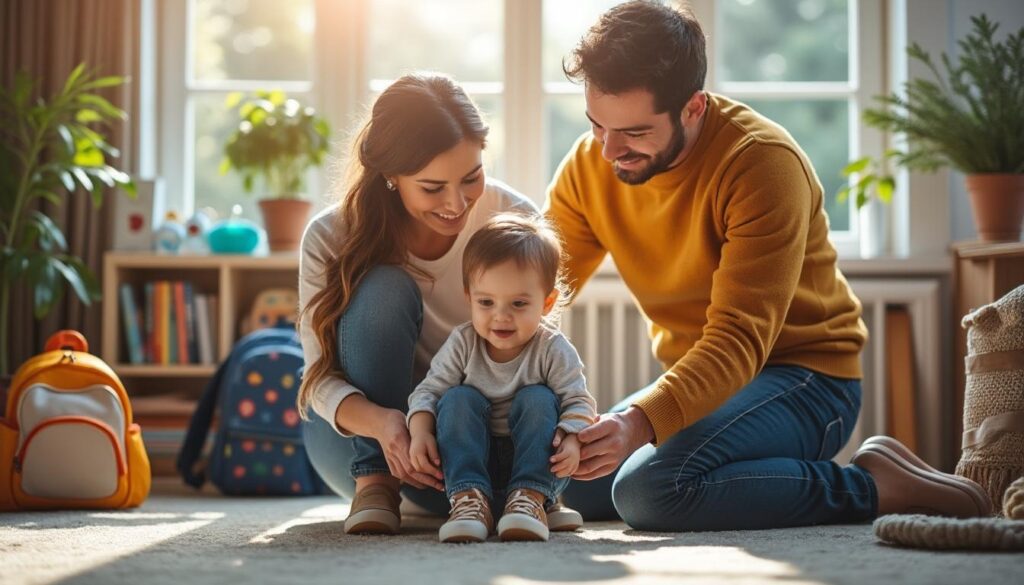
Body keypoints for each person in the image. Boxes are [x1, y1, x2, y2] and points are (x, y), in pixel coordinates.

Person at [546, 0, 992, 531]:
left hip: (807, 380)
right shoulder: (589, 165)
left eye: (635, 133)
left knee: (649, 491)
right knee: (552, 475)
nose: (607, 151)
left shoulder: (761, 163)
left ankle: (873, 486)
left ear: (693, 107)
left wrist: (639, 421)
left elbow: (737, 340)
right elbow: (538, 288)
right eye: (598, 125)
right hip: (705, 387)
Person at [296, 73, 587, 536]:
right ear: (390, 176)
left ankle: (505, 495)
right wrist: (388, 424)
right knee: (383, 288)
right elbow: (317, 380)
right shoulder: (332, 236)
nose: (456, 203)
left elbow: (538, 351)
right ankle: (377, 486)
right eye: (432, 188)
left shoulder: (512, 221)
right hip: (363, 437)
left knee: (608, 481)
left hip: (476, 435)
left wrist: (560, 437)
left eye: (471, 178)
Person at [406, 213, 598, 543]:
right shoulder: (464, 342)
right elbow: (430, 390)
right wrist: (420, 428)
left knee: (537, 397)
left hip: (534, 463)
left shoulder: (552, 348)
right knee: (456, 398)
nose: (501, 316)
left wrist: (572, 439)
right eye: (486, 302)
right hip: (469, 462)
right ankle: (469, 502)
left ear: (547, 303)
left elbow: (578, 401)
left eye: (519, 303)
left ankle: (533, 500)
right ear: (469, 298)